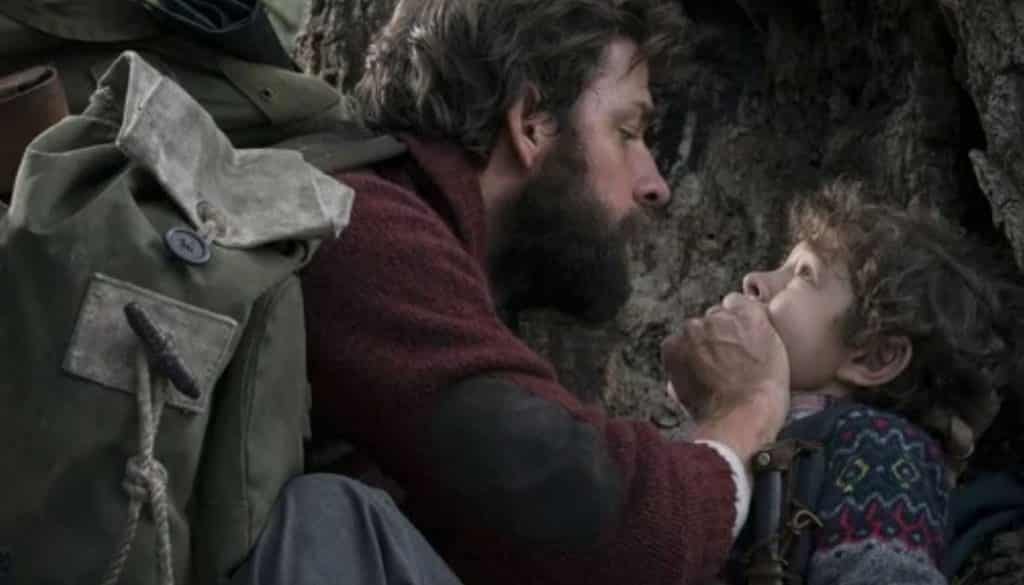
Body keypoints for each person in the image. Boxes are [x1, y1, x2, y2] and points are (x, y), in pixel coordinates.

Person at [243, 0, 792, 584]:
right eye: (627, 132)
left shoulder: (403, 231)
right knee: (332, 516)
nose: (655, 184)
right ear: (530, 122)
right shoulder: (360, 229)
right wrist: (744, 416)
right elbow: (598, 519)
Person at [669, 180, 1024, 584]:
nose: (754, 279)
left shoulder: (881, 449)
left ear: (873, 356)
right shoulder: (762, 431)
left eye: (804, 273)